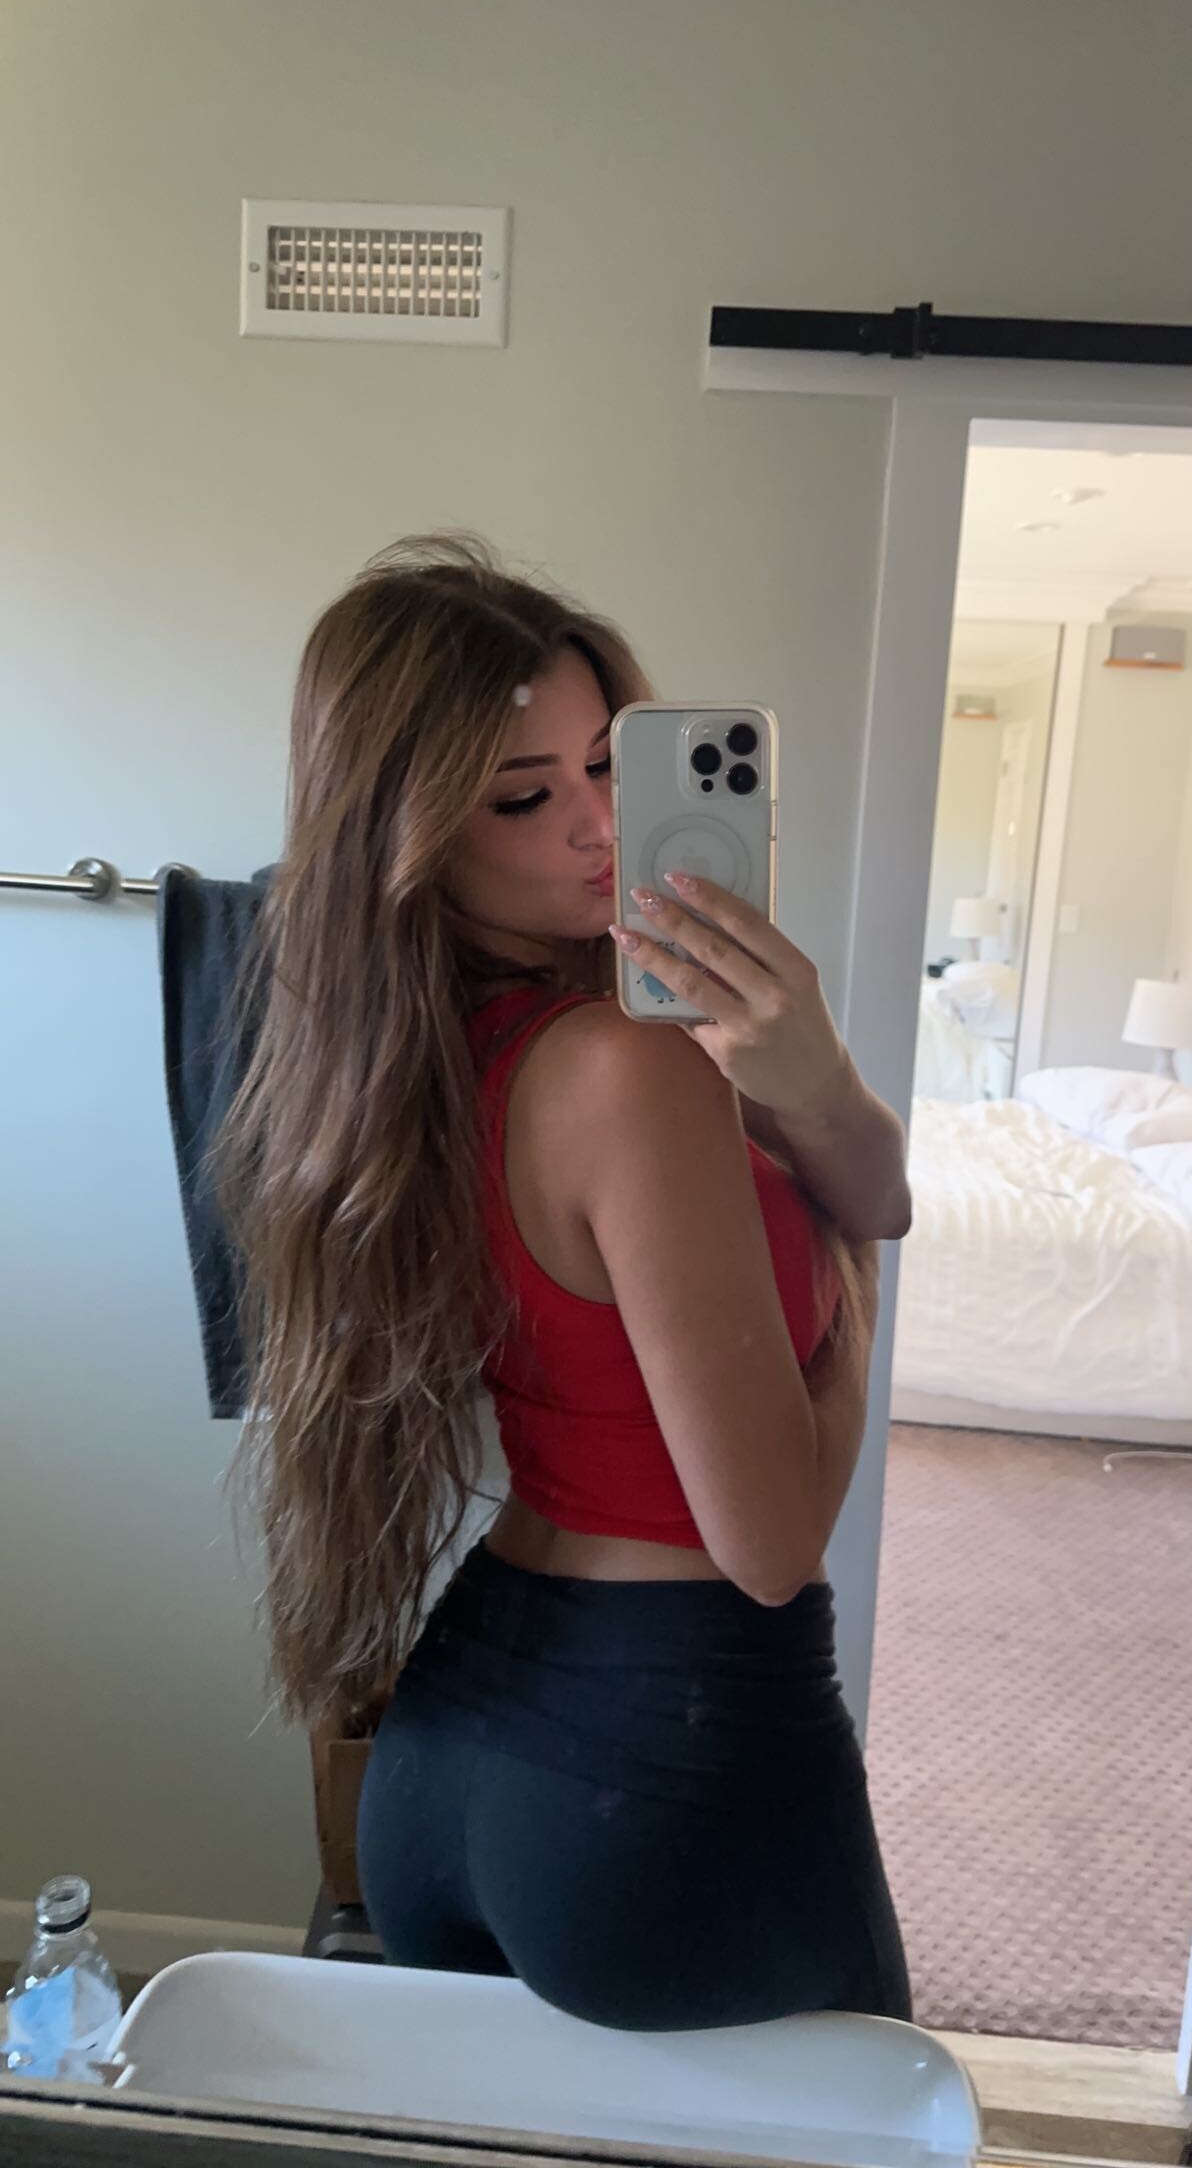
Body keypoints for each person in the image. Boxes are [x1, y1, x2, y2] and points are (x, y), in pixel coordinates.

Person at [216, 534, 913, 2033]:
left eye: (608, 764)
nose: (601, 829)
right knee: (855, 2122)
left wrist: (809, 1083)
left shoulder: (388, 1070)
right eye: (523, 798)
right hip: (666, 1760)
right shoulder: (624, 1069)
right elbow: (771, 1544)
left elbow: (884, 1187)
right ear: (408, 828)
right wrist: (848, 1296)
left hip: (456, 1751)